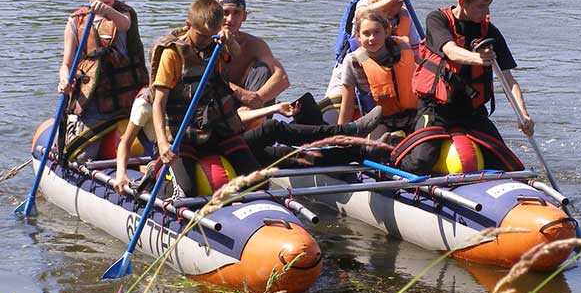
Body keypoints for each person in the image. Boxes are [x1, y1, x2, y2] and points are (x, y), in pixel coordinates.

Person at [113, 78, 385, 194]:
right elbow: (125, 143)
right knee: (285, 155)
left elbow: (232, 120)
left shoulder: (192, 90)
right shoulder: (147, 103)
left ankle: (360, 146)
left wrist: (274, 108)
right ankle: (352, 139)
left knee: (276, 133)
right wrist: (122, 174)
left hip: (220, 147)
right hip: (186, 156)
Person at [391, 0, 532, 174]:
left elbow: (509, 80)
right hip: (436, 109)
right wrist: (478, 58)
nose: (486, 11)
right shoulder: (437, 20)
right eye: (480, 6)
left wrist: (523, 115)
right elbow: (450, 50)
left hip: (472, 112)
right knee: (421, 162)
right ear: (462, 2)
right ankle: (394, 147)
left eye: (488, 5)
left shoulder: (490, 31)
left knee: (506, 165)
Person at [150, 0, 260, 197]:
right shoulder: (172, 54)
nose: (206, 41)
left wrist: (230, 40)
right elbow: (158, 103)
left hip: (215, 129)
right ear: (188, 25)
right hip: (181, 134)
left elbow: (236, 53)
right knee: (186, 191)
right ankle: (155, 177)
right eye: (201, 36)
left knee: (258, 181)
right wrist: (163, 143)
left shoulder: (217, 43)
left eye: (211, 35)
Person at [58, 0, 149, 163]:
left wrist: (108, 10)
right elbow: (67, 63)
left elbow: (124, 24)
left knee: (153, 144)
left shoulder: (124, 14)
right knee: (81, 156)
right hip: (96, 102)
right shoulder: (76, 21)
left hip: (129, 98)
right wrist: (64, 80)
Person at [323, 0, 421, 122]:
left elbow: (417, 53)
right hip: (354, 65)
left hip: (387, 67)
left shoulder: (404, 16)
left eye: (398, 2)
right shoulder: (365, 5)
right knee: (329, 116)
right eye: (390, 0)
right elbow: (361, 14)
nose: (394, 6)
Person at [337, 10, 417, 142]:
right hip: (380, 120)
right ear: (358, 37)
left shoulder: (402, 47)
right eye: (366, 34)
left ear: (387, 31)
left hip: (412, 114)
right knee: (375, 148)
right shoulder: (352, 61)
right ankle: (392, 140)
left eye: (377, 32)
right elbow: (347, 105)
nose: (372, 38)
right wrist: (339, 137)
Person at [214, 0, 290, 111]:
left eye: (236, 13)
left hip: (249, 107)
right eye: (225, 12)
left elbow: (282, 78)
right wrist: (240, 93)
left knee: (262, 69)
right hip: (218, 104)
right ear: (215, 15)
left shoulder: (254, 45)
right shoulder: (205, 42)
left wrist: (256, 99)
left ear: (244, 16)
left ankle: (248, 117)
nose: (230, 19)